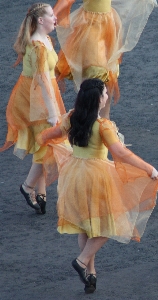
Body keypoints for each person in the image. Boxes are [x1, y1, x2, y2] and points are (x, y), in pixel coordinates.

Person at [37, 78, 158, 293]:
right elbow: (121, 153)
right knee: (111, 222)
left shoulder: (71, 118)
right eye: (105, 94)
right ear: (98, 100)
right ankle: (82, 260)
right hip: (96, 176)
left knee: (87, 223)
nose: (107, 97)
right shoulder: (102, 125)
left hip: (74, 174)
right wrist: (148, 168)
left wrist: (42, 139)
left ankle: (91, 272)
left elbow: (53, 135)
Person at [0, 3, 67, 215]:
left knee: (43, 142)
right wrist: (53, 112)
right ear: (40, 20)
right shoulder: (38, 46)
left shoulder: (45, 40)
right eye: (50, 15)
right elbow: (42, 79)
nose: (55, 18)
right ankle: (28, 186)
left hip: (38, 94)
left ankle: (40, 192)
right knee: (47, 144)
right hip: (35, 98)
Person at [52, 0, 158, 118]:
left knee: (108, 74)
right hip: (91, 26)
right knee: (95, 71)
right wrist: (53, 13)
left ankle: (103, 119)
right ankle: (86, 116)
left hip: (108, 25)